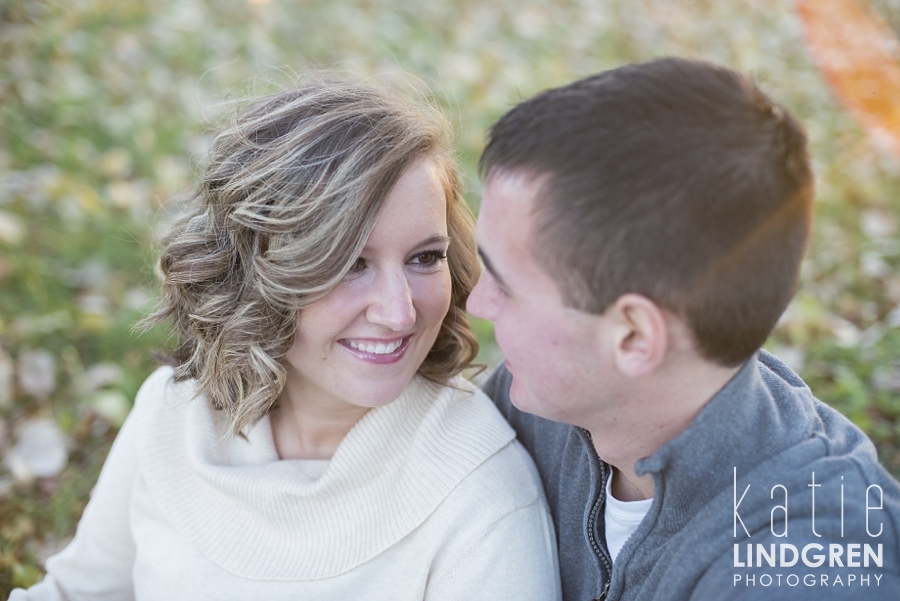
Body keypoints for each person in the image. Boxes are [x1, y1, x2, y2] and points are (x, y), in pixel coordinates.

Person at [12, 78, 561, 600]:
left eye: (425, 258)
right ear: (255, 269)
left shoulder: (480, 491)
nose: (399, 312)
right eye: (349, 263)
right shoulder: (173, 413)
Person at [467, 57, 900, 601]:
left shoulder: (808, 564)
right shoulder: (540, 403)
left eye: (505, 284)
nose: (475, 301)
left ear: (633, 337)